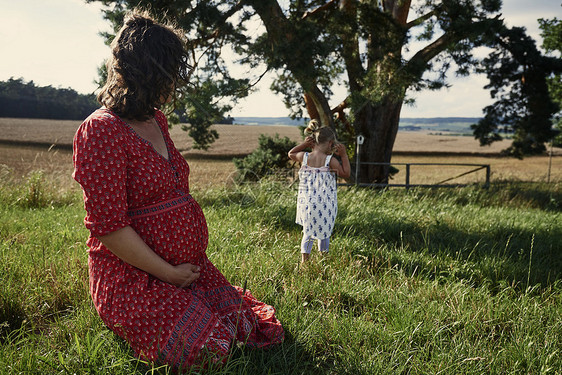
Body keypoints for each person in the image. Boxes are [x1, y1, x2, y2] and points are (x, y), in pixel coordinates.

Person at [72, 11, 283, 370]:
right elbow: (109, 228)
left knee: (246, 328)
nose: (175, 83)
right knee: (212, 350)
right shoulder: (101, 130)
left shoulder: (156, 119)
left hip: (188, 268)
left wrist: (182, 265)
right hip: (134, 277)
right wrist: (167, 273)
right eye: (170, 72)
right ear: (149, 71)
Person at [288, 120, 351, 263]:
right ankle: (323, 258)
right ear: (330, 143)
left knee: (308, 231)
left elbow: (291, 153)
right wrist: (344, 155)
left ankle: (305, 261)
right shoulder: (330, 161)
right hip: (325, 204)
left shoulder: (304, 157)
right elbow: (346, 173)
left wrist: (304, 145)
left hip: (307, 203)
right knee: (324, 231)